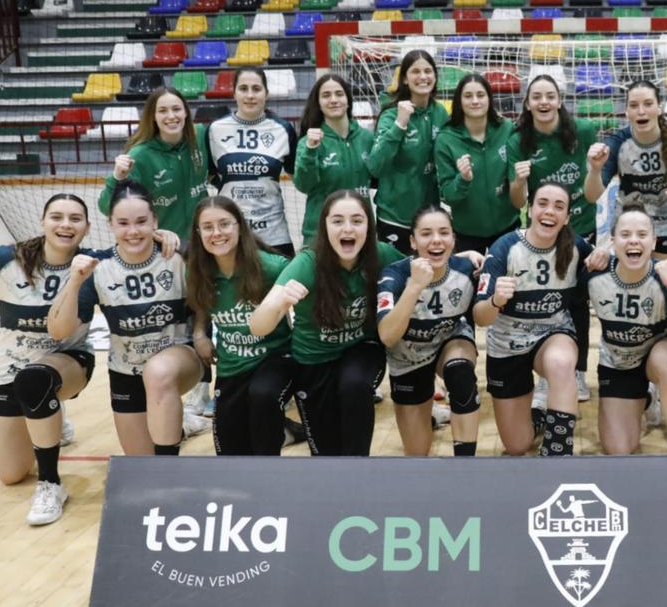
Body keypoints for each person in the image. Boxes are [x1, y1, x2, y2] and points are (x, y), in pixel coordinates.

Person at [49, 181, 206, 457]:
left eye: (141, 222)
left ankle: (170, 471)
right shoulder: (99, 268)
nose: (133, 231)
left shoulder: (178, 255)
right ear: (110, 224)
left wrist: (201, 333)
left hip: (179, 360)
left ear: (155, 221)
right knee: (140, 460)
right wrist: (74, 282)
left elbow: (207, 293)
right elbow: (59, 332)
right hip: (126, 370)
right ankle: (179, 425)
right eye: (123, 223)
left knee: (158, 375)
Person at [249, 190, 404, 456]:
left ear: (369, 225)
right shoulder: (307, 264)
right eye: (338, 221)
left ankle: (358, 476)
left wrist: (463, 257)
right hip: (313, 360)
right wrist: (280, 302)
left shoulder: (382, 255)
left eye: (357, 220)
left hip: (362, 349)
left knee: (353, 384)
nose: (348, 228)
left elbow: (425, 268)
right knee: (325, 453)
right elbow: (257, 326)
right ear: (325, 226)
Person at [0, 195, 95, 525]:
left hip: (66, 361)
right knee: (11, 474)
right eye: (57, 217)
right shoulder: (7, 260)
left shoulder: (92, 265)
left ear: (87, 228)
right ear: (43, 222)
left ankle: (50, 484)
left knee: (36, 380)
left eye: (75, 219)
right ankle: (50, 415)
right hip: (8, 366)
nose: (65, 225)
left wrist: (165, 236)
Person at [475, 182, 607, 456]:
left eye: (559, 206)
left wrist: (606, 252)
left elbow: (610, 261)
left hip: (552, 334)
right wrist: (496, 300)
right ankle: (539, 415)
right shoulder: (505, 248)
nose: (550, 211)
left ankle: (558, 453)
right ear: (530, 210)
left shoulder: (576, 247)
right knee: (517, 445)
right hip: (506, 344)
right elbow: (481, 317)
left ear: (567, 217)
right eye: (543, 203)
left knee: (561, 363)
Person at [507, 74, 600, 401]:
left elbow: (593, 194)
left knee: (577, 301)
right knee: (545, 299)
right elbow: (518, 202)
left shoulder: (585, 132)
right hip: (543, 233)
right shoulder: (518, 140)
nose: (543, 102)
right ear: (528, 103)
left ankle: (577, 372)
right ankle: (547, 370)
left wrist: (595, 169)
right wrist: (519, 183)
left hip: (580, 227)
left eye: (550, 96)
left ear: (560, 100)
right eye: (536, 97)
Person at [185, 196, 302, 455]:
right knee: (229, 451)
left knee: (262, 396)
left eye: (225, 224)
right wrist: (200, 334)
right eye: (208, 227)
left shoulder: (272, 267)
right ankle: (287, 432)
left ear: (240, 226)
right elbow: (202, 302)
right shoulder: (198, 270)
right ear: (198, 233)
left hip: (275, 358)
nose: (217, 233)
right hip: (232, 365)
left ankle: (268, 477)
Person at [583, 206, 667, 454]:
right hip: (618, 363)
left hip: (657, 358)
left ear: (653, 241)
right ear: (612, 242)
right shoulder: (595, 275)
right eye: (625, 234)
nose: (634, 240)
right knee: (619, 449)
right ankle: (645, 398)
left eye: (642, 234)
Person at [376, 206, 481, 456]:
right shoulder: (394, 276)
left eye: (444, 233)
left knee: (460, 372)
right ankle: (433, 418)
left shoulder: (467, 270)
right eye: (426, 234)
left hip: (449, 342)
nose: (436, 239)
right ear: (413, 241)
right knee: (417, 454)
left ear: (453, 239)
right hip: (407, 357)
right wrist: (414, 287)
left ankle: (466, 466)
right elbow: (387, 336)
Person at [584, 80, 667, 261]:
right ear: (627, 112)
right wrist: (595, 170)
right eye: (634, 105)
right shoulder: (617, 142)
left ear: (659, 107)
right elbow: (591, 195)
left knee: (664, 282)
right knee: (629, 283)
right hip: (629, 225)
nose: (641, 111)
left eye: (648, 104)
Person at [204, 67, 298, 256]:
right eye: (243, 88)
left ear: (267, 93)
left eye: (256, 89)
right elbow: (210, 174)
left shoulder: (283, 129)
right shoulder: (216, 129)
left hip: (274, 232)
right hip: (231, 232)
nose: (250, 95)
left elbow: (297, 177)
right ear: (234, 93)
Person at [97, 87, 210, 240]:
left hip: (203, 241)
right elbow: (107, 208)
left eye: (176, 109)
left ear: (185, 112)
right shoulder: (139, 156)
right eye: (162, 111)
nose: (171, 116)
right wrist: (117, 178)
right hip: (165, 245)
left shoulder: (200, 136)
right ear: (153, 117)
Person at [368, 49, 448, 253]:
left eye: (428, 71)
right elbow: (375, 167)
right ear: (404, 78)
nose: (423, 76)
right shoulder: (390, 115)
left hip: (428, 218)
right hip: (394, 218)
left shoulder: (440, 113)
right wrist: (400, 124)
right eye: (415, 71)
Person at [434, 73, 520, 254]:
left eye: (480, 95)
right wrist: (463, 179)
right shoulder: (446, 139)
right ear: (458, 101)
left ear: (489, 99)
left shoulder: (507, 129)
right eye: (468, 96)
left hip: (508, 229)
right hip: (467, 235)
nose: (475, 101)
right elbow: (449, 196)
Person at [294, 73, 374, 246]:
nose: (333, 99)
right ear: (318, 103)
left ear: (348, 99)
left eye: (339, 94)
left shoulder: (367, 139)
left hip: (359, 232)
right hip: (319, 233)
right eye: (326, 95)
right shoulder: (309, 142)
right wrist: (310, 150)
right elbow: (303, 185)